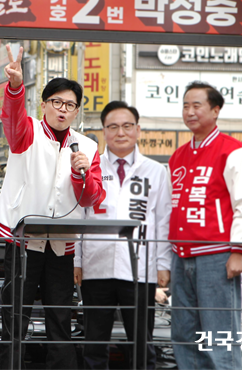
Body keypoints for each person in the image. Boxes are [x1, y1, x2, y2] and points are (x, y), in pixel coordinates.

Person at [0, 44, 105, 369]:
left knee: (60, 321)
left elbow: (92, 199)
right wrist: (15, 86)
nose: (62, 110)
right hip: (23, 243)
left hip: (61, 246)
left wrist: (81, 173)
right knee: (15, 319)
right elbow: (11, 119)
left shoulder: (87, 147)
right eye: (56, 102)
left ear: (77, 111)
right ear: (43, 104)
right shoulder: (27, 131)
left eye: (70, 105)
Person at [169, 81, 242, 369]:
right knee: (184, 334)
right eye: (185, 106)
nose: (189, 112)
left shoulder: (234, 152)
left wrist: (239, 250)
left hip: (217, 255)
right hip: (181, 255)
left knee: (219, 335)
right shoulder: (178, 155)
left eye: (197, 105)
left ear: (215, 110)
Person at [74, 101, 172, 369]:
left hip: (140, 269)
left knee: (141, 344)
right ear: (104, 131)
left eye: (127, 126)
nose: (120, 132)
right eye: (113, 127)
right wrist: (77, 261)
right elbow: (81, 216)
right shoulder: (91, 168)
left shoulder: (155, 170)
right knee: (94, 343)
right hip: (96, 267)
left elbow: (163, 220)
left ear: (138, 130)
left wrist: (163, 264)